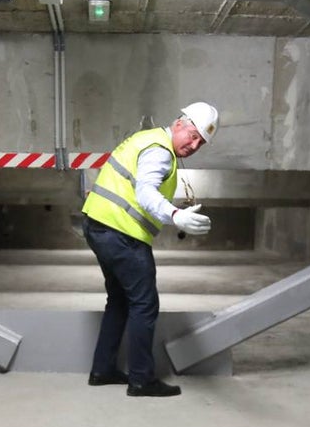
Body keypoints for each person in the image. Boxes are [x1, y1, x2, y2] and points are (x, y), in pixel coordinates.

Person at [81, 102, 219, 397]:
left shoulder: (149, 138)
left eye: (200, 143)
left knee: (119, 300)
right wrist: (175, 216)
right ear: (179, 123)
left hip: (98, 225)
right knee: (144, 304)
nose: (194, 145)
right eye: (192, 135)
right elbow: (145, 192)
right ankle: (142, 379)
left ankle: (102, 369)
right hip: (121, 234)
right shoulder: (160, 150)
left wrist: (172, 210)